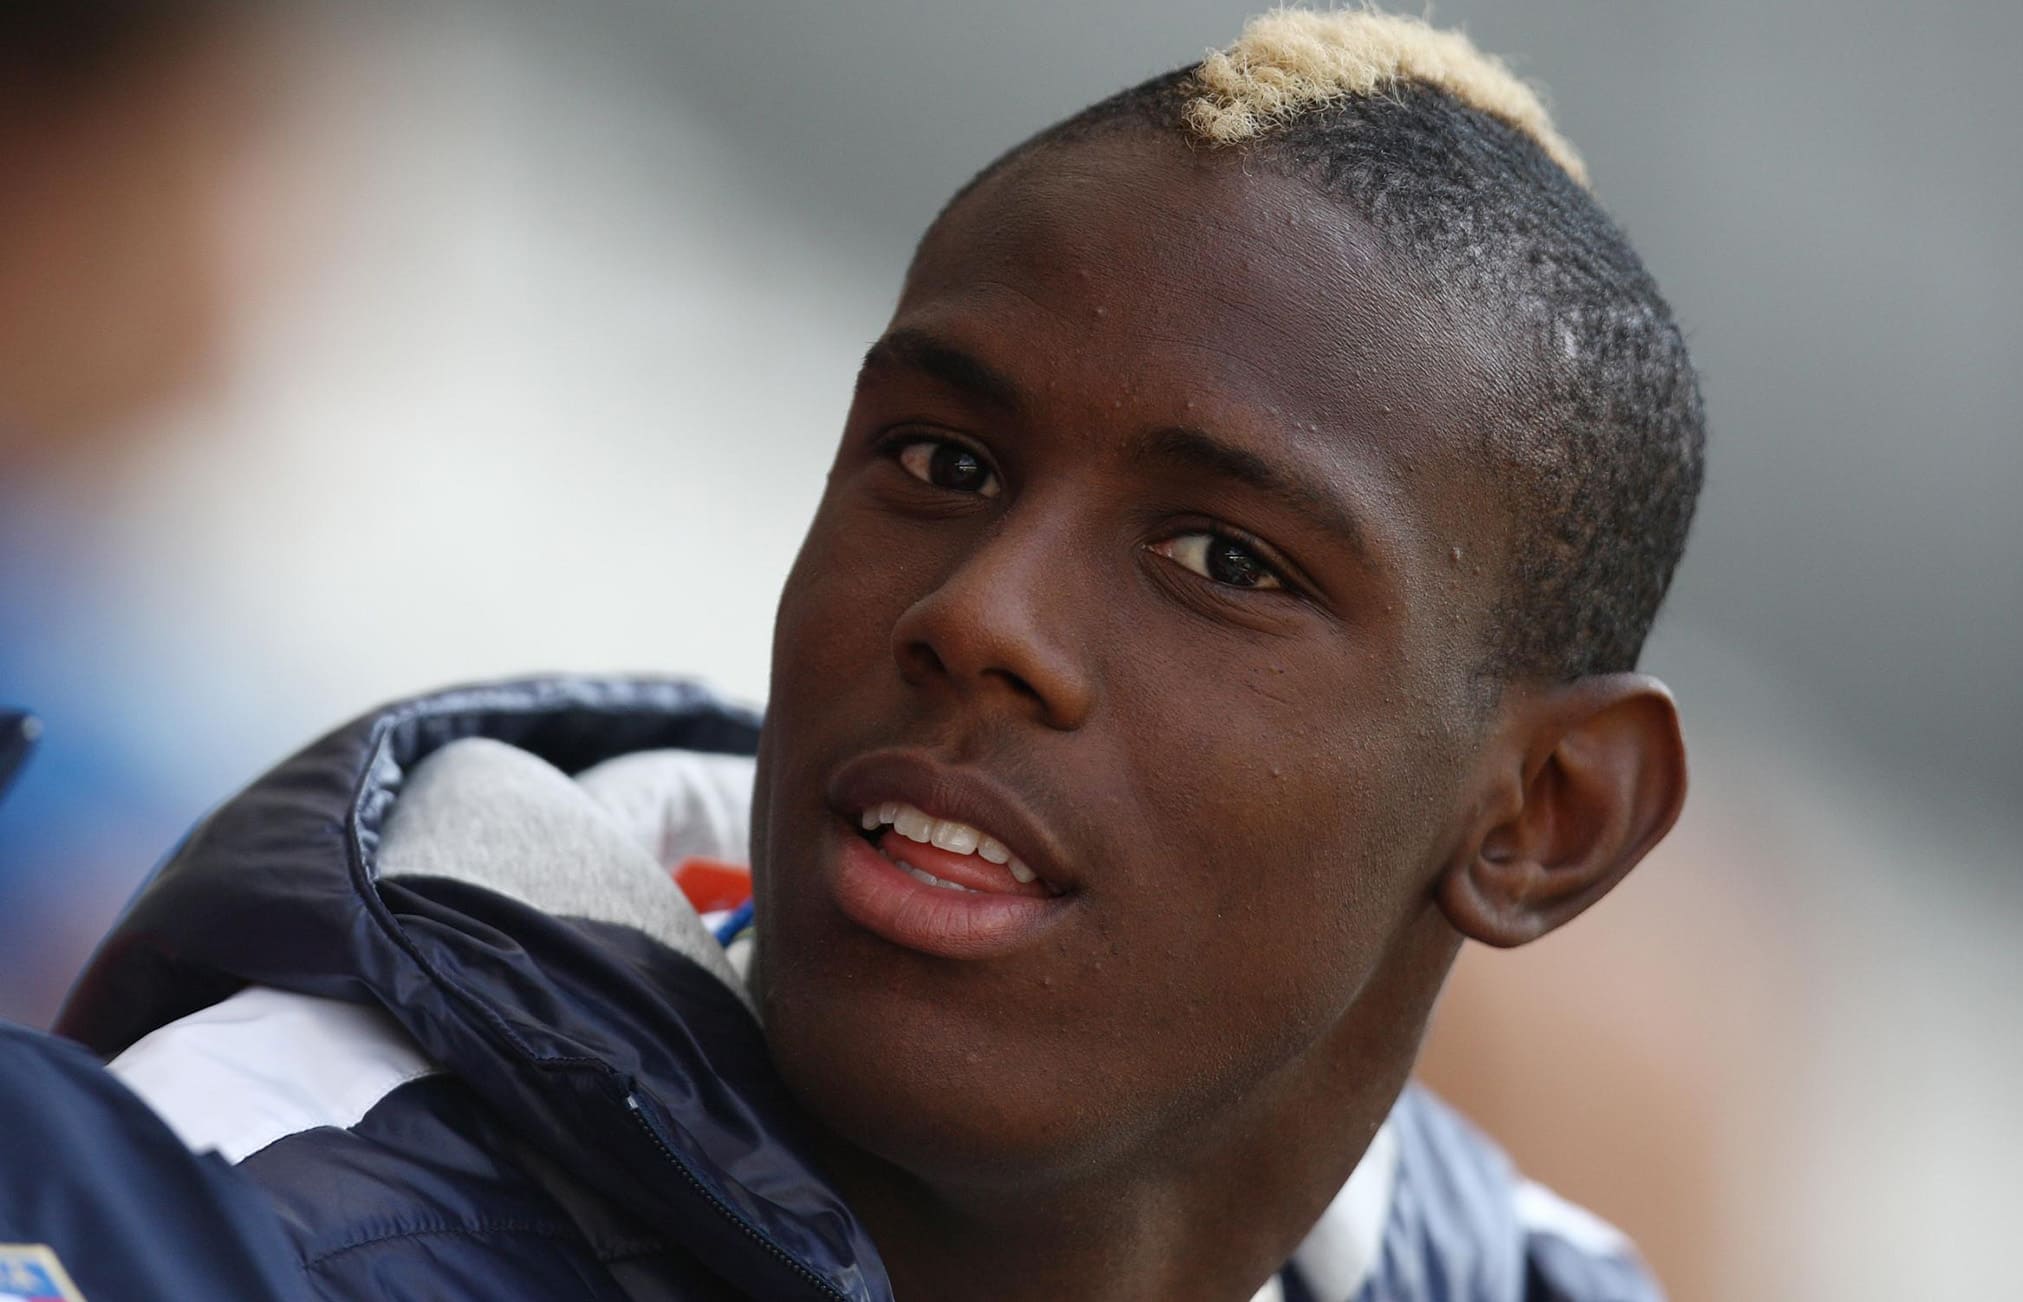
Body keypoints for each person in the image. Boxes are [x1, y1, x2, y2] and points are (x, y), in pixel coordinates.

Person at [53, 11, 1703, 1300]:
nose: (983, 615)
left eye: (1222, 559)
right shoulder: (228, 1218)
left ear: (1544, 818)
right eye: (942, 462)